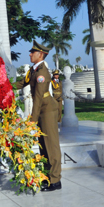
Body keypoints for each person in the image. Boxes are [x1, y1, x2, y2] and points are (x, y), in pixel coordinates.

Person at [15, 40, 62, 192]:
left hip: (47, 110)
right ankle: (48, 177)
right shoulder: (34, 70)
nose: (29, 54)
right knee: (43, 145)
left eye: (32, 52)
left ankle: (55, 180)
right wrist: (2, 85)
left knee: (51, 145)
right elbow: (22, 82)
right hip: (42, 109)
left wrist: (32, 121)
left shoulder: (41, 73)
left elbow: (39, 98)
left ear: (40, 54)